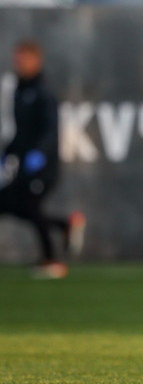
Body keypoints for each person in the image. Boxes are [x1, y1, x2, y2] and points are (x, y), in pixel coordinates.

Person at [0, 40, 85, 278]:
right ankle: (63, 226)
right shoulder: (19, 92)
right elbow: (20, 133)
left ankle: (51, 260)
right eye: (17, 59)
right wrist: (8, 153)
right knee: (8, 204)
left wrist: (38, 154)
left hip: (43, 167)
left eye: (23, 59)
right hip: (24, 165)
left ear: (36, 61)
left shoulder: (43, 93)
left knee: (30, 207)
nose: (19, 64)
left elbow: (50, 131)